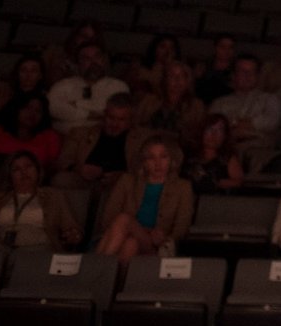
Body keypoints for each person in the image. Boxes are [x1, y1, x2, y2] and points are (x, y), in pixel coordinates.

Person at [94, 136, 194, 265]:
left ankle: (94, 268)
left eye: (163, 157)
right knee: (131, 244)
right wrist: (138, 231)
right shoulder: (127, 181)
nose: (158, 163)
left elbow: (182, 227)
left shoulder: (183, 187)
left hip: (155, 245)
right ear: (143, 162)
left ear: (172, 160)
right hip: (123, 238)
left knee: (124, 219)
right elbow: (108, 218)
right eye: (151, 158)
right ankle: (107, 280)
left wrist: (165, 238)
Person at [0, 151, 83, 251]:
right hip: (0, 246)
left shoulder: (53, 196)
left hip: (38, 247)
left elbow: (71, 226)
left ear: (38, 170)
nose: (24, 172)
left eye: (28, 166)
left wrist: (72, 235)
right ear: (10, 175)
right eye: (16, 169)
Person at [54, 94, 144, 194]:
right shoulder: (80, 133)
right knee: (61, 180)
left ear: (130, 121)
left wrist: (122, 176)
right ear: (104, 115)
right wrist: (79, 169)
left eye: (121, 120)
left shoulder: (140, 140)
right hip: (84, 182)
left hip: (120, 186)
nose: (114, 124)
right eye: (111, 117)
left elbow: (143, 169)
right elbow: (62, 161)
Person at [210, 55, 281, 163]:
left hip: (260, 151)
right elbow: (212, 126)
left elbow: (271, 122)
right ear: (233, 75)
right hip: (227, 148)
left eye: (252, 72)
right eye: (242, 71)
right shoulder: (219, 103)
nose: (247, 75)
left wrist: (236, 124)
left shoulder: (271, 99)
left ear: (258, 76)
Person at [46, 42, 129, 137]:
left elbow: (115, 114)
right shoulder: (63, 85)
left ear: (103, 60)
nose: (93, 62)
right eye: (86, 58)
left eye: (97, 57)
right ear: (78, 63)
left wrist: (76, 104)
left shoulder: (118, 86)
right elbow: (51, 107)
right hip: (66, 138)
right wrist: (90, 114)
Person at [0, 94, 63, 181]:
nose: (32, 113)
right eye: (27, 107)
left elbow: (53, 168)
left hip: (31, 186)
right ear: (16, 109)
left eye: (38, 111)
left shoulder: (49, 137)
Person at [136, 58, 206, 147]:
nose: (177, 80)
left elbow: (197, 135)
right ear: (165, 80)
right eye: (172, 75)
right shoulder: (149, 100)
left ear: (188, 80)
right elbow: (136, 125)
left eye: (182, 76)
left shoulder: (197, 106)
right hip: (148, 146)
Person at [0, 54, 47, 128]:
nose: (28, 75)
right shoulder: (2, 88)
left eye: (33, 71)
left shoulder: (44, 97)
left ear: (40, 75)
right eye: (23, 70)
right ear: (17, 73)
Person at [182, 113, 245, 196]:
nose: (213, 134)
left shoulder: (228, 158)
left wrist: (216, 183)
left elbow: (238, 182)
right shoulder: (188, 156)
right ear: (201, 132)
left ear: (225, 136)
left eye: (219, 130)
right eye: (209, 129)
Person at [195, 34, 238, 105]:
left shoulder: (237, 69)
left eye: (230, 47)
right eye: (222, 47)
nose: (226, 51)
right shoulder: (203, 66)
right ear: (215, 48)